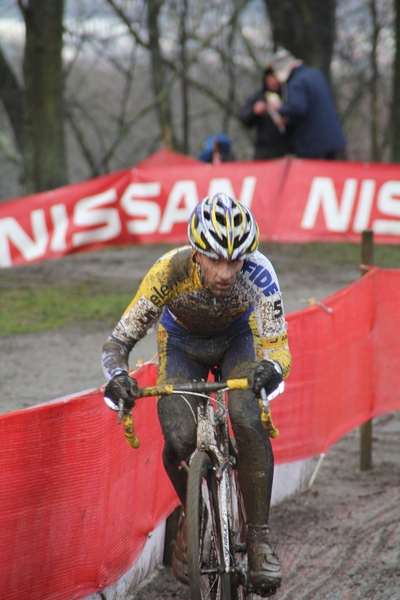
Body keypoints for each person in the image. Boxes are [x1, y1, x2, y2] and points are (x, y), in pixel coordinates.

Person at [102, 193, 292, 596]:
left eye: (235, 260)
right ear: (196, 252)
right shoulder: (168, 271)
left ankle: (258, 541)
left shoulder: (259, 273)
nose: (226, 272)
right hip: (183, 345)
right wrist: (118, 376)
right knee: (179, 438)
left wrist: (271, 368)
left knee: (245, 416)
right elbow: (117, 343)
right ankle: (195, 512)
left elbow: (278, 348)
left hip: (237, 341)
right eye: (215, 259)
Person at [268, 48, 346, 160]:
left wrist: (279, 108)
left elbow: (298, 107)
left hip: (314, 144)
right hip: (333, 140)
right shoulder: (316, 74)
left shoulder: (296, 82)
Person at [238, 64, 296, 160]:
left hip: (287, 150)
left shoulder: (288, 95)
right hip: (265, 152)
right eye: (271, 77)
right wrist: (254, 112)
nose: (274, 81)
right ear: (265, 79)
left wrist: (287, 121)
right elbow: (244, 119)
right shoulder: (258, 96)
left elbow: (299, 117)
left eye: (277, 77)